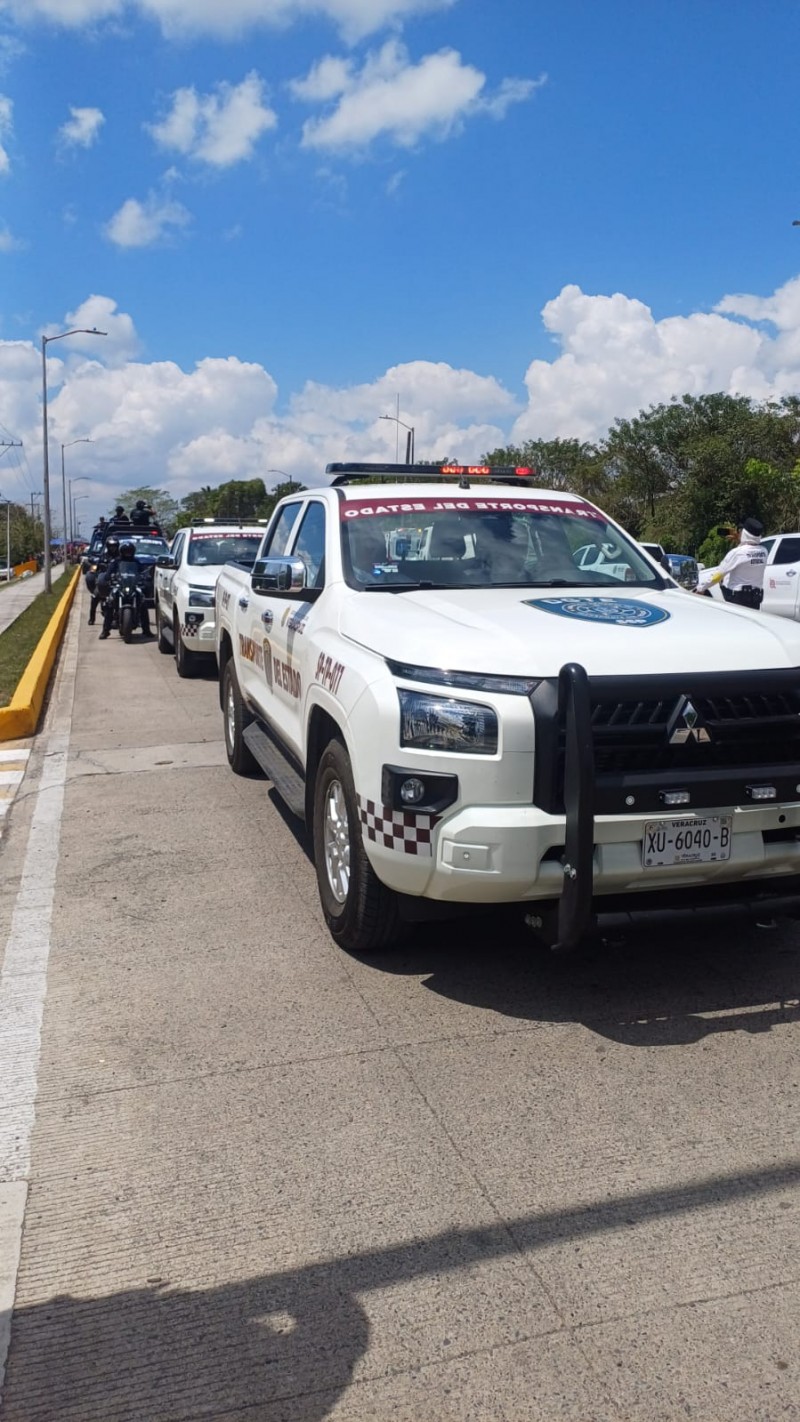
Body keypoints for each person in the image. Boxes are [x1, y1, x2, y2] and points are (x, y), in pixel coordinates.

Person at [703, 517, 766, 609]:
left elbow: (717, 575)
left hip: (737, 599)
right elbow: (750, 551)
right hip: (755, 600)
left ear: (744, 533)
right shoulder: (764, 552)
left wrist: (701, 588)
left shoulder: (737, 553)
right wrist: (740, 541)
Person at [99, 539, 151, 638]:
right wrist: (108, 576)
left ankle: (146, 630)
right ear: (122, 552)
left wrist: (146, 576)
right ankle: (105, 631)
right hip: (120, 585)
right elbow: (109, 571)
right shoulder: (116, 561)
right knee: (109, 604)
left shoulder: (136, 561)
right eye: (126, 551)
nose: (128, 554)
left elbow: (143, 571)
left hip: (133, 586)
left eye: (129, 551)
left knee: (143, 603)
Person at [88, 535, 119, 625]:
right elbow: (94, 566)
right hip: (104, 582)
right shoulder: (103, 557)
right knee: (95, 596)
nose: (112, 548)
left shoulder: (120, 557)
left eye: (114, 546)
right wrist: (93, 569)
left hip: (117, 581)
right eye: (111, 546)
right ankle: (92, 618)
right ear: (108, 546)